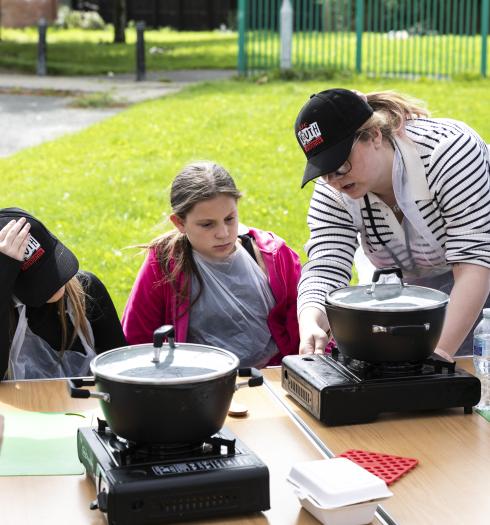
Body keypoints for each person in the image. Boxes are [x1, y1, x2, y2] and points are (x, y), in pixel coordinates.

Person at [294, 88, 490, 361]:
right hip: (424, 292)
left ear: (374, 135)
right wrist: (311, 318)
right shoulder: (334, 191)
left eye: (340, 164)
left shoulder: (448, 151)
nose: (335, 179)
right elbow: (326, 264)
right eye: (323, 171)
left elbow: (474, 262)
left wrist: (436, 357)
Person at [122, 161, 301, 368]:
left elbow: (310, 327)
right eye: (207, 224)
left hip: (272, 378)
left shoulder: (274, 256)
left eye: (229, 219)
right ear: (179, 223)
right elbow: (137, 343)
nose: (223, 233)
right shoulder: (163, 263)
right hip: (196, 384)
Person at [0, 208, 127, 380]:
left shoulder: (87, 289)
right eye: (39, 280)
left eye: (52, 267)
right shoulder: (7, 311)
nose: (56, 282)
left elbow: (121, 366)